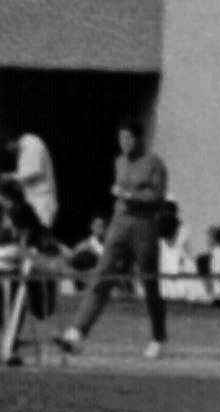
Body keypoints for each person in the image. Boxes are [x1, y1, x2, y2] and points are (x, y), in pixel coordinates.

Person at [55, 117, 168, 359]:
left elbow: (157, 197)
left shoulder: (153, 163)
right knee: (102, 276)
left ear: (139, 139)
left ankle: (158, 336)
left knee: (149, 283)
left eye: (129, 138)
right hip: (119, 226)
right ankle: (78, 331)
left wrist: (131, 195)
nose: (124, 143)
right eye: (121, 138)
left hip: (144, 228)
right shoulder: (119, 162)